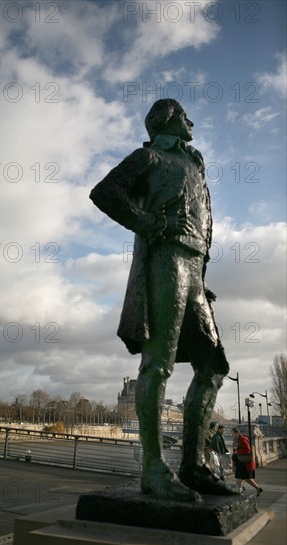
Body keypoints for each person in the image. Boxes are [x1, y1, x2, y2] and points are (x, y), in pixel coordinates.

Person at [90, 98, 237, 500]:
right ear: (169, 121)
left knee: (213, 366)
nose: (192, 120)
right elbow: (105, 192)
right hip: (166, 260)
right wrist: (149, 222)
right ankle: (154, 470)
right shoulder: (149, 157)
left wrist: (201, 278)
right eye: (185, 115)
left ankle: (193, 466)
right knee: (158, 364)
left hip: (192, 270)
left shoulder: (194, 164)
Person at [231, 427, 263, 496]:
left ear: (237, 433)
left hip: (244, 462)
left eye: (233, 434)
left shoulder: (242, 440)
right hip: (240, 462)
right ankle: (257, 488)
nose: (232, 435)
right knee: (244, 478)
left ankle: (239, 491)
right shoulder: (236, 440)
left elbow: (247, 450)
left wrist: (237, 451)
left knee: (240, 477)